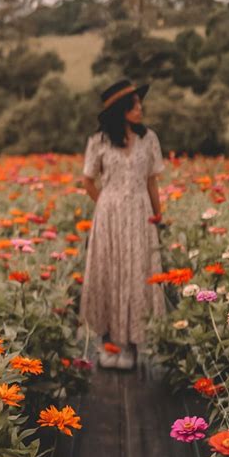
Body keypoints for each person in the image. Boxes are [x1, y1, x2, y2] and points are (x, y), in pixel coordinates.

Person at [79, 79, 166, 370]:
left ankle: (130, 344)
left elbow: (152, 180)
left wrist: (158, 215)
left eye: (140, 104)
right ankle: (108, 343)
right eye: (134, 105)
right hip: (110, 216)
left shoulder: (148, 138)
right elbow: (87, 180)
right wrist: (105, 203)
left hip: (140, 214)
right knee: (108, 272)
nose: (140, 109)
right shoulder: (99, 142)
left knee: (136, 274)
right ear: (120, 110)